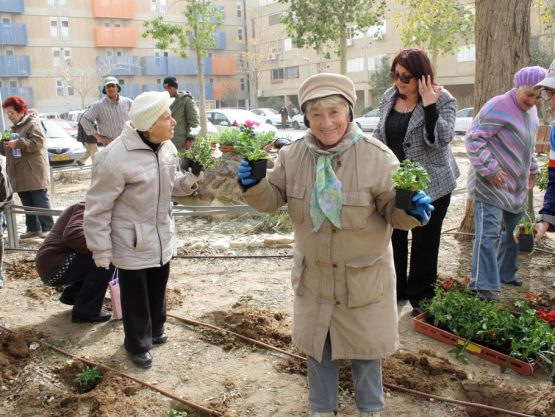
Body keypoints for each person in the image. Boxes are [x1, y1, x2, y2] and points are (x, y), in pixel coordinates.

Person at [237, 73, 434, 417]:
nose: (326, 122)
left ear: (349, 113)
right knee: (319, 352)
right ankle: (321, 411)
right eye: (316, 114)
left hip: (362, 281)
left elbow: (393, 213)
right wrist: (255, 184)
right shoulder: (294, 155)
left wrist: (411, 211)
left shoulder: (378, 157)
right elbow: (274, 198)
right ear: (306, 118)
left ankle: (370, 411)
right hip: (314, 278)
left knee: (366, 354)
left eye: (334, 112)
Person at [83, 91, 201, 369]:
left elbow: (171, 187)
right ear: (149, 125)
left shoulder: (167, 147)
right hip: (130, 240)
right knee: (136, 295)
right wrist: (100, 248)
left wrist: (192, 178)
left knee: (158, 287)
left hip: (160, 236)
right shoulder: (114, 158)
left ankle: (156, 330)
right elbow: (97, 208)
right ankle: (137, 344)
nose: (174, 122)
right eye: (167, 117)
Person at [373, 48, 459, 315]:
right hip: (397, 183)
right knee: (395, 237)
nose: (399, 82)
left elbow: (442, 139)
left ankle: (421, 299)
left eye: (406, 77)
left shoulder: (443, 99)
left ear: (422, 77)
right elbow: (380, 133)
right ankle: (396, 290)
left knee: (425, 242)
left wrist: (429, 104)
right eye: (395, 75)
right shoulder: (389, 97)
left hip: (432, 186)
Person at [465, 66, 546, 300]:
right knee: (488, 234)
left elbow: (528, 145)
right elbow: (473, 138)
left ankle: (505, 273)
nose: (532, 101)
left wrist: (532, 169)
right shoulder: (498, 105)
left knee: (513, 232)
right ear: (516, 86)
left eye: (537, 97)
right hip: (490, 183)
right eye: (528, 94)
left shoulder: (531, 113)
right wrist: (490, 169)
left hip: (515, 185)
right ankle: (481, 285)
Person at [35, 202, 114, 322]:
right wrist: (105, 249)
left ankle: (73, 296)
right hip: (54, 264)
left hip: (51, 263)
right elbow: (72, 235)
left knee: (98, 254)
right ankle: (86, 311)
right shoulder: (88, 206)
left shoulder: (94, 207)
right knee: (104, 260)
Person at [1, 96, 54, 239]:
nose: (9, 116)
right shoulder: (10, 129)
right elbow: (3, 149)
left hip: (33, 171)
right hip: (18, 173)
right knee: (26, 202)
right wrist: (3, 143)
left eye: (11, 112)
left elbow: (37, 143)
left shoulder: (33, 124)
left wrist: (18, 143)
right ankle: (33, 228)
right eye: (8, 113)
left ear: (20, 112)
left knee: (39, 201)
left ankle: (49, 228)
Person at [79, 76, 133, 157]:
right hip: (110, 144)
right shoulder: (98, 105)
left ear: (117, 88)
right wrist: (98, 137)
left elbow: (138, 116)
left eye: (113, 86)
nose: (111, 89)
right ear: (105, 90)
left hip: (128, 142)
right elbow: (84, 120)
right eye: (108, 87)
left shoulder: (128, 102)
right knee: (114, 168)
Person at [163, 76, 199, 151]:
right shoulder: (165, 101)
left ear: (175, 87)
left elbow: (195, 122)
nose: (167, 90)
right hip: (167, 143)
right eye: (165, 88)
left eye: (169, 88)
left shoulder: (186, 100)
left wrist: (190, 139)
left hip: (182, 145)